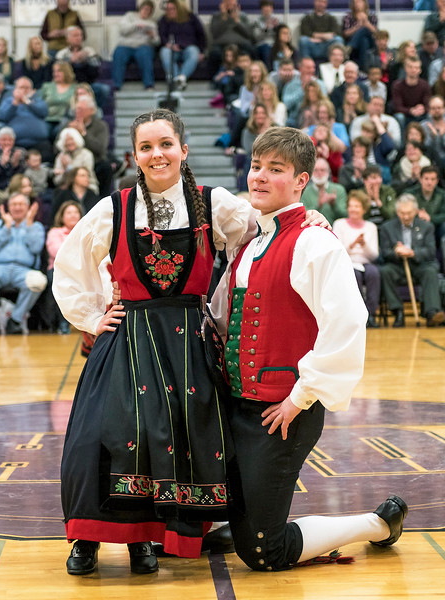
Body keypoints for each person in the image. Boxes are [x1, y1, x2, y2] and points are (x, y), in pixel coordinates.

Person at [52, 108, 328, 576]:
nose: (156, 154)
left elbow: (264, 233)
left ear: (183, 149)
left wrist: (312, 219)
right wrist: (93, 316)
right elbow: (70, 265)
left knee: (174, 440)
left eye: (165, 144)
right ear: (134, 155)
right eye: (146, 147)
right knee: (100, 437)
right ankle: (87, 539)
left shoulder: (213, 202)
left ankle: (149, 537)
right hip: (128, 337)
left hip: (186, 346)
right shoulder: (113, 208)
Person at [209, 125, 407, 572]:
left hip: (283, 410)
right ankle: (249, 521)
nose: (259, 176)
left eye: (275, 169)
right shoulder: (251, 241)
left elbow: (348, 322)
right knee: (235, 524)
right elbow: (224, 317)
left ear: (302, 180)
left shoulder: (315, 241)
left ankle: (377, 523)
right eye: (256, 166)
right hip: (237, 403)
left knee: (263, 554)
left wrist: (301, 396)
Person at [0, 192, 46, 336]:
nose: (17, 207)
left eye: (21, 204)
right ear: (8, 207)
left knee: (39, 281)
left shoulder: (36, 226)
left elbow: (35, 248)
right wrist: (7, 228)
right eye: (14, 204)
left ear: (28, 207)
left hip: (24, 270)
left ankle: (15, 320)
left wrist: (28, 225)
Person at [379, 194, 444, 327]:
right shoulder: (387, 227)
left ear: (415, 211)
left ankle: (432, 313)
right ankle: (398, 311)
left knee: (431, 271)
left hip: (419, 265)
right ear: (397, 212)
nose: (406, 217)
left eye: (409, 213)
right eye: (402, 213)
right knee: (385, 271)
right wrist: (396, 252)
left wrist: (412, 252)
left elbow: (431, 251)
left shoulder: (427, 226)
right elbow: (385, 253)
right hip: (398, 265)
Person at [333, 189, 380, 327]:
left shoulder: (371, 227)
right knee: (354, 275)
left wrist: (364, 244)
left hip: (366, 262)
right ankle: (356, 315)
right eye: (351, 206)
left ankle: (370, 315)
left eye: (357, 206)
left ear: (364, 209)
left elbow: (374, 255)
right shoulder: (339, 224)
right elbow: (337, 251)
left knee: (374, 274)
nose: (353, 209)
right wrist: (353, 244)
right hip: (347, 262)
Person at [59, 95, 112, 197]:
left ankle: (104, 199)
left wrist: (83, 133)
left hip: (94, 162)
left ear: (91, 111)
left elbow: (100, 149)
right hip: (72, 161)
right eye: (76, 109)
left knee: (106, 167)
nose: (77, 111)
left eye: (81, 109)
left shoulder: (101, 126)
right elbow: (57, 147)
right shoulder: (69, 125)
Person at [46, 201, 83, 334]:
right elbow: (56, 251)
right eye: (69, 212)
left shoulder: (85, 230)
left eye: (75, 212)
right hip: (59, 269)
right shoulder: (55, 232)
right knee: (62, 282)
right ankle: (63, 322)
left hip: (82, 269)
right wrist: (78, 255)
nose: (73, 215)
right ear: (62, 216)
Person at [0, 77, 53, 163]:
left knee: (47, 151)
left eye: (27, 88)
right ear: (15, 89)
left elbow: (44, 112)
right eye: (21, 87)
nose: (24, 90)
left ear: (33, 90)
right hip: (16, 143)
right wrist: (15, 103)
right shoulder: (9, 101)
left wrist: (28, 102)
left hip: (39, 142)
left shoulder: (37, 101)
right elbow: (3, 117)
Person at [56, 26, 110, 109]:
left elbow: (95, 72)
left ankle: (95, 111)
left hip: (88, 84)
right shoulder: (62, 54)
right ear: (68, 39)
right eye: (75, 36)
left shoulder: (89, 51)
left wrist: (85, 61)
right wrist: (71, 61)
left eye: (80, 35)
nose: (79, 38)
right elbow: (59, 72)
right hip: (69, 85)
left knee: (104, 89)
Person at [157, 0, 207, 91]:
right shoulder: (164, 20)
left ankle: (181, 78)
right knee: (165, 52)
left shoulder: (191, 18)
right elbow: (161, 36)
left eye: (172, 9)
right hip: (172, 48)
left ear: (179, 9)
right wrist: (169, 45)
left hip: (189, 47)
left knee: (193, 52)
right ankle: (176, 78)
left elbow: (201, 35)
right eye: (167, 9)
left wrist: (202, 51)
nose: (170, 11)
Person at [112, 1, 159, 91]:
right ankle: (116, 85)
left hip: (143, 46)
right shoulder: (130, 16)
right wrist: (136, 25)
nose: (146, 12)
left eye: (149, 10)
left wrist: (152, 36)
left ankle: (149, 84)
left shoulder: (152, 23)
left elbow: (157, 42)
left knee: (145, 54)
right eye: (144, 9)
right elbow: (122, 30)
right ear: (140, 9)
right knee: (118, 53)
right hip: (126, 45)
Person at [208, 0, 255, 78]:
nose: (229, 4)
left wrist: (237, 20)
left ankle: (250, 75)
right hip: (222, 44)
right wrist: (224, 17)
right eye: (227, 2)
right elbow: (215, 33)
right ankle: (215, 78)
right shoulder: (216, 16)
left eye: (232, 2)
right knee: (214, 53)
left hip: (241, 44)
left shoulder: (243, 16)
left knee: (252, 50)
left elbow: (248, 34)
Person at [301, 157, 348, 223]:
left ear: (328, 172)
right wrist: (319, 203)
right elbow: (303, 217)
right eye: (316, 170)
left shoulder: (339, 189)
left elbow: (345, 216)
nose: (319, 173)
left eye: (322, 170)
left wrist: (334, 204)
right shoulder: (304, 191)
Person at [391, 56, 432, 132]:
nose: (413, 70)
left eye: (416, 68)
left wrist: (423, 109)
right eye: (410, 67)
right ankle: (402, 143)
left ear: (420, 70)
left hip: (421, 114)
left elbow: (428, 105)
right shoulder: (397, 85)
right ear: (405, 68)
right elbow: (397, 107)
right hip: (405, 115)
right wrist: (411, 110)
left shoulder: (425, 85)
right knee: (399, 117)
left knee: (430, 115)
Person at [53, 127, 99, 194]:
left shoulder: (86, 154)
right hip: (66, 188)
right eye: (66, 140)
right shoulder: (60, 156)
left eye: (71, 139)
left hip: (87, 187)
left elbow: (85, 175)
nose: (69, 142)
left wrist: (68, 167)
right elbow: (57, 180)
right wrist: (63, 174)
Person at [40, 61, 77, 140]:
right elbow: (38, 103)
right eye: (54, 71)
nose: (55, 74)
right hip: (47, 119)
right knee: (44, 132)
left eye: (59, 71)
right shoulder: (47, 86)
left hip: (65, 120)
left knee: (58, 131)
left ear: (66, 72)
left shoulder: (75, 88)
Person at [342, 0, 378, 72]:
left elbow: (376, 33)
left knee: (365, 30)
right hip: (358, 46)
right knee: (364, 41)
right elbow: (345, 34)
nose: (357, 4)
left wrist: (366, 23)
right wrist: (358, 26)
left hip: (372, 44)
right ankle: (364, 70)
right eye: (355, 3)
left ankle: (350, 47)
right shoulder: (348, 17)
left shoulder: (372, 16)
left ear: (364, 4)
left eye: (359, 2)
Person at [252, 0, 281, 69]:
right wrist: (265, 29)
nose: (267, 9)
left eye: (269, 6)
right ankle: (268, 72)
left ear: (272, 8)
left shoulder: (277, 20)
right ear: (262, 8)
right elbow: (256, 37)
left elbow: (282, 35)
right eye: (265, 6)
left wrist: (277, 28)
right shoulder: (257, 21)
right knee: (266, 48)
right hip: (262, 44)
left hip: (274, 44)